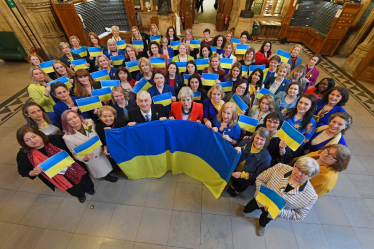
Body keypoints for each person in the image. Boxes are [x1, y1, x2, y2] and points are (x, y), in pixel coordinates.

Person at [236, 157, 319, 236]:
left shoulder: (311, 197)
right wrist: (260, 193)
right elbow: (260, 179)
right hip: (260, 199)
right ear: (294, 165)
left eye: (305, 173)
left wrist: (279, 212)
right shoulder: (279, 168)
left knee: (265, 219)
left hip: (273, 212)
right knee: (251, 205)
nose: (299, 174)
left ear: (311, 176)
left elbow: (299, 215)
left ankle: (261, 225)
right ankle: (245, 210)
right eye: (298, 168)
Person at [16, 126, 95, 203]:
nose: (33, 141)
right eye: (27, 140)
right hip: (59, 178)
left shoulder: (55, 139)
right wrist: (33, 172)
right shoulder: (24, 155)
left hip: (74, 168)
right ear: (23, 143)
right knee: (73, 189)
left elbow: (73, 150)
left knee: (85, 181)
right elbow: (22, 171)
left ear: (39, 134)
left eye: (34, 136)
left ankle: (90, 189)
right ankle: (81, 195)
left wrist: (71, 160)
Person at [61, 110, 118, 182]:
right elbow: (74, 154)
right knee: (102, 171)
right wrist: (84, 158)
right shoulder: (67, 137)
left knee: (110, 165)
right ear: (66, 123)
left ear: (78, 116)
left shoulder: (89, 122)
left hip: (102, 151)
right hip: (92, 159)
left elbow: (99, 132)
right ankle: (106, 176)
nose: (74, 120)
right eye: (69, 120)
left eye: (74, 117)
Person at [227, 127, 272, 197]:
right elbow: (237, 148)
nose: (258, 141)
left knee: (241, 185)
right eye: (257, 138)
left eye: (262, 140)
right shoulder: (246, 141)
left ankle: (237, 191)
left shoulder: (266, 158)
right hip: (237, 169)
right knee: (234, 181)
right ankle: (232, 186)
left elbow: (258, 175)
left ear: (266, 141)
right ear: (253, 137)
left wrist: (241, 175)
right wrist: (237, 148)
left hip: (247, 178)